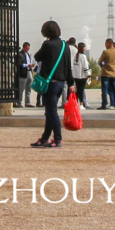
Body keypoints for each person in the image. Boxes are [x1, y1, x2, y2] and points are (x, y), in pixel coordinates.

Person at [29, 21, 69, 149]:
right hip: (61, 82)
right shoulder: (64, 45)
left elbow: (37, 56)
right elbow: (68, 65)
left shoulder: (47, 45)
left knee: (52, 113)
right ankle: (45, 138)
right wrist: (72, 83)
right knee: (50, 112)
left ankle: (58, 138)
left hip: (49, 83)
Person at [99, 38, 115, 109]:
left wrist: (103, 66)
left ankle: (104, 104)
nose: (105, 45)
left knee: (105, 90)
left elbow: (100, 61)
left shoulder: (105, 52)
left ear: (109, 44)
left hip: (106, 73)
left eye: (106, 44)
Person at [16, 41, 32, 107]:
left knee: (29, 88)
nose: (27, 49)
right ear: (24, 47)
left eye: (28, 48)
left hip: (29, 71)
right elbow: (19, 64)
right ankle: (19, 102)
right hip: (23, 73)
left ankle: (27, 102)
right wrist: (27, 65)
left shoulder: (28, 54)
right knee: (21, 88)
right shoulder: (20, 54)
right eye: (27, 48)